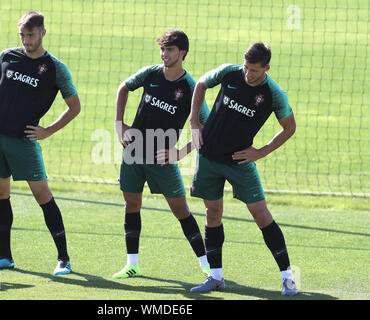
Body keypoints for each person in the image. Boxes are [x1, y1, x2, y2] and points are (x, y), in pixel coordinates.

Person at [189, 42, 298, 296]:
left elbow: (289, 128)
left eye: (254, 71)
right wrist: (194, 122)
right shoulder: (229, 72)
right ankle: (216, 278)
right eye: (246, 67)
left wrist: (260, 152)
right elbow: (201, 84)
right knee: (212, 213)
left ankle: (288, 279)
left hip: (240, 162)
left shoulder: (273, 94)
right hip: (209, 156)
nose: (247, 74)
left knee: (261, 215)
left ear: (266, 68)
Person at [0, 11, 81, 276]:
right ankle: (4, 257)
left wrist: (48, 130)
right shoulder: (7, 56)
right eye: (22, 35)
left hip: (23, 141)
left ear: (43, 33)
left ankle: (64, 259)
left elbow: (74, 106)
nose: (26, 40)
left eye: (31, 35)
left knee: (43, 196)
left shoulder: (55, 68)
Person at [113, 29, 211, 279]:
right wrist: (119, 123)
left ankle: (207, 264)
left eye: (170, 50)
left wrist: (180, 153)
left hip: (161, 159)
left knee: (181, 210)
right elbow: (123, 87)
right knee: (131, 205)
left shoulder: (190, 88)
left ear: (183, 52)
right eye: (163, 49)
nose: (164, 54)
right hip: (133, 153)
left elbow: (205, 126)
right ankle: (132, 264)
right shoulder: (151, 74)